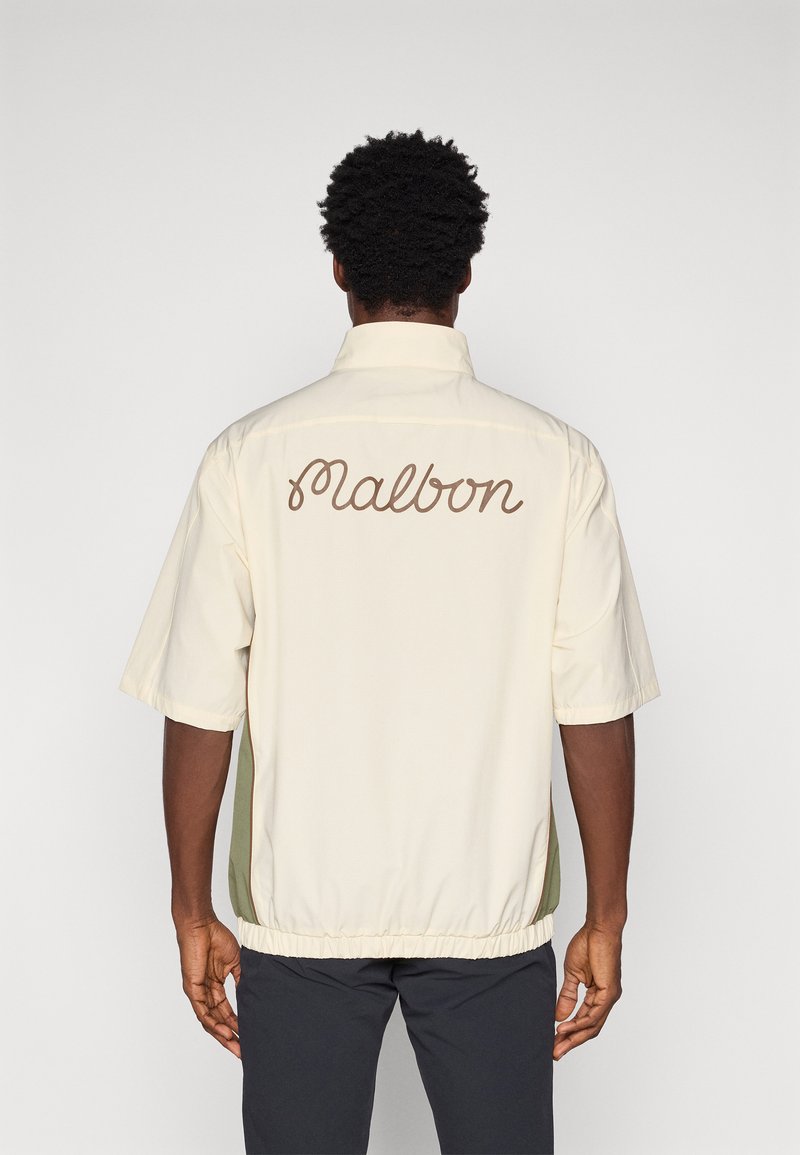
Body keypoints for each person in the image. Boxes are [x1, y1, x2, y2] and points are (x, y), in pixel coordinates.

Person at [119, 128, 661, 1155]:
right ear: (467, 271)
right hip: (489, 903)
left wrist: (190, 908)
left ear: (337, 268)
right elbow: (594, 703)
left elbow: (199, 701)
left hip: (301, 905)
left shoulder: (250, 456)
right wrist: (607, 912)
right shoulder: (555, 461)